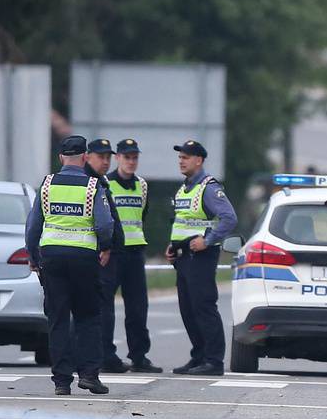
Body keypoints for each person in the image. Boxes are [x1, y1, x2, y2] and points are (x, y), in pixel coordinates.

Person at [25, 134, 116, 396]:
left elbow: (33, 226)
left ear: (61, 158)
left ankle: (62, 381)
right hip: (85, 258)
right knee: (88, 316)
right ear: (85, 157)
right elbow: (104, 224)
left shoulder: (46, 185)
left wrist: (33, 256)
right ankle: (89, 375)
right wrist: (105, 245)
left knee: (58, 318)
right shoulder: (92, 186)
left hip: (52, 258)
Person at [165, 139, 237, 375]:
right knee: (188, 308)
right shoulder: (184, 188)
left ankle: (214, 361)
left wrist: (207, 240)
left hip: (201, 256)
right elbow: (183, 222)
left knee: (203, 306)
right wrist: (173, 246)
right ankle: (199, 356)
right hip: (184, 256)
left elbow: (229, 218)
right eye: (179, 157)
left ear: (199, 160)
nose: (181, 161)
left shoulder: (209, 187)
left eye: (185, 157)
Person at [97, 138, 159, 374]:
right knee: (106, 306)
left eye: (134, 158)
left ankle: (139, 356)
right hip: (113, 252)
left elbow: (142, 215)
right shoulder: (106, 183)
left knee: (137, 307)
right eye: (127, 157)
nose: (131, 162)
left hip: (135, 251)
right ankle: (106, 355)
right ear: (117, 158)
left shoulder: (142, 185)